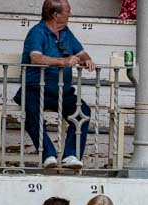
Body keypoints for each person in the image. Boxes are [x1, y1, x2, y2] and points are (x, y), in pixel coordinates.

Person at [18, 0, 94, 169]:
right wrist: (63, 61)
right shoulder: (37, 32)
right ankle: (48, 155)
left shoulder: (66, 32)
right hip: (35, 88)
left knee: (82, 112)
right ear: (55, 15)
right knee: (32, 114)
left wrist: (86, 59)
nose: (70, 14)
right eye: (67, 11)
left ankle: (71, 155)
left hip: (62, 91)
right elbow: (36, 58)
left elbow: (81, 52)